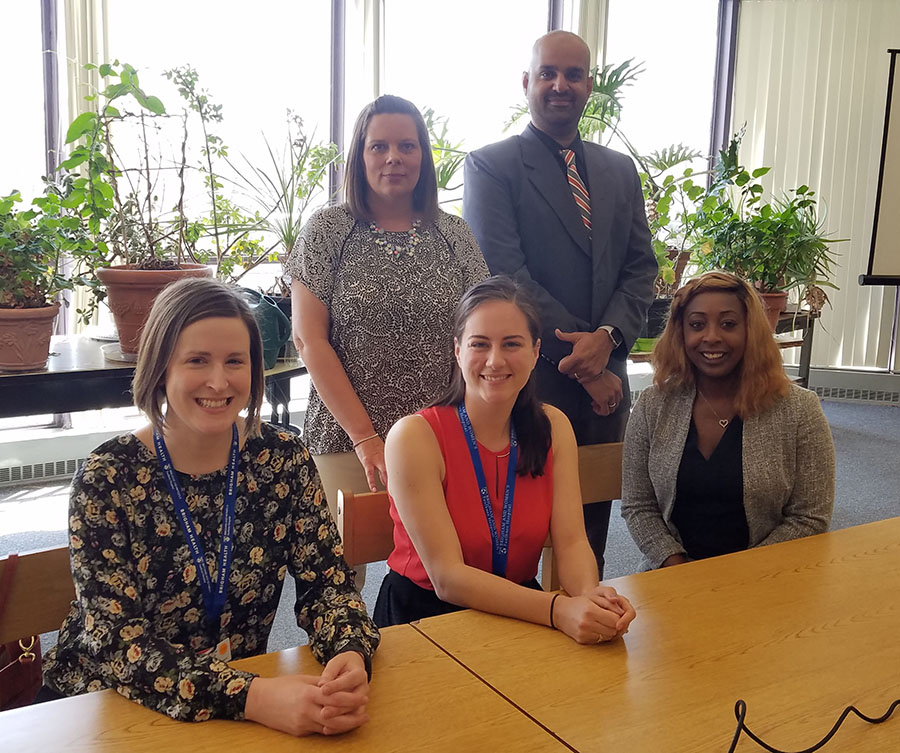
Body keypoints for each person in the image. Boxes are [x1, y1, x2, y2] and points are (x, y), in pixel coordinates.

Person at [40, 278, 380, 737]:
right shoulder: (108, 477)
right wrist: (253, 696)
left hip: (232, 707)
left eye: (235, 361)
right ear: (161, 367)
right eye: (197, 360)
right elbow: (118, 645)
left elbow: (328, 586)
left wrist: (349, 651)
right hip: (110, 707)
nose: (219, 382)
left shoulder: (281, 458)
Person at [462, 31, 656, 577]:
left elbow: (642, 268)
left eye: (573, 74)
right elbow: (506, 278)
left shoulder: (620, 171)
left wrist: (609, 340)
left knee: (588, 527)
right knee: (511, 531)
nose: (560, 85)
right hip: (528, 381)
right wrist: (581, 361)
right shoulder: (490, 166)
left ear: (589, 85)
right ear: (527, 83)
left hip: (606, 385)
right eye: (547, 73)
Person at [285, 95, 488, 572]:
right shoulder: (328, 229)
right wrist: (366, 438)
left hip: (442, 437)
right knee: (337, 577)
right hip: (346, 438)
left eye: (407, 146)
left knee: (443, 569)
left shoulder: (454, 233)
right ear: (359, 156)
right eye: (379, 146)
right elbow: (308, 340)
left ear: (423, 157)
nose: (393, 157)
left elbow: (481, 332)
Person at [374, 276, 636, 644]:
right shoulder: (414, 436)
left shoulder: (553, 426)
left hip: (523, 610)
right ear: (458, 350)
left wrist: (588, 597)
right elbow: (447, 578)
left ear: (535, 351)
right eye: (480, 344)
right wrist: (558, 609)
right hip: (425, 618)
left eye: (512, 344)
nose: (495, 360)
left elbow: (573, 541)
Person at [621, 272, 836, 570]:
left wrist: (740, 576)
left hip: (770, 576)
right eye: (697, 325)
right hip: (672, 576)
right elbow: (638, 505)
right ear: (681, 333)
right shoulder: (652, 405)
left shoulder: (799, 409)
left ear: (751, 331)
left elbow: (810, 517)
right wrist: (676, 566)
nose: (711, 336)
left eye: (728, 324)